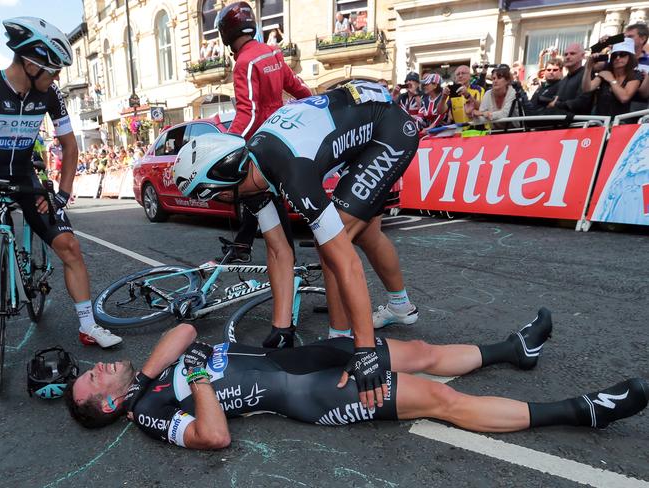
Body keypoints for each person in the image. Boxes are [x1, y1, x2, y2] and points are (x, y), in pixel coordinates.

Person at [65, 310, 649, 450]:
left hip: (304, 355)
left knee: (417, 351)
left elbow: (188, 330)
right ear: (110, 406)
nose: (96, 368)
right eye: (93, 381)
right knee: (441, 401)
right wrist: (194, 383)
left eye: (91, 371)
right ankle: (580, 410)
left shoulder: (143, 383)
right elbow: (214, 437)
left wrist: (147, 374)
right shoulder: (150, 416)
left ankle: (512, 349)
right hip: (308, 393)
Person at [173, 81, 423, 407]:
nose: (216, 203)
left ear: (220, 187)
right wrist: (282, 328)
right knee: (365, 232)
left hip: (388, 132)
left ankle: (343, 339)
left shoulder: (290, 171)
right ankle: (400, 306)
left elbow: (346, 261)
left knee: (334, 243)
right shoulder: (251, 175)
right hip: (361, 125)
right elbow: (278, 250)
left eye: (208, 197)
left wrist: (366, 351)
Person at [0, 17, 122, 347]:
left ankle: (88, 325)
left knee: (70, 246)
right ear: (29, 63)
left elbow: (70, 146)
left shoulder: (50, 94)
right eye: (53, 69)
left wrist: (61, 196)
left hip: (26, 177)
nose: (58, 77)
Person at [217, 2, 311, 265]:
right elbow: (298, 88)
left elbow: (248, 112)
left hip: (261, 143)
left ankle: (287, 264)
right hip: (281, 136)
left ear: (227, 33)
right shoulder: (272, 53)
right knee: (258, 195)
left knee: (262, 195)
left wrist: (229, 144)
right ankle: (242, 245)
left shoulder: (244, 63)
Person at [582, 38, 641, 119]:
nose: (618, 58)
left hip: (621, 125)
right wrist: (588, 68)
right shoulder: (605, 72)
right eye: (614, 55)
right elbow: (587, 88)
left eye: (622, 54)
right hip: (599, 123)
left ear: (630, 57)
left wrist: (611, 80)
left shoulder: (635, 74)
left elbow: (624, 98)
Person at [469, 65, 520, 129]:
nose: (495, 81)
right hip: (495, 132)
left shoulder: (512, 92)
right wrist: (473, 115)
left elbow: (505, 114)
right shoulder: (488, 94)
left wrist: (485, 114)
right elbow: (481, 120)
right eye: (493, 78)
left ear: (507, 81)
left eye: (499, 78)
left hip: (515, 131)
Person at [546, 43, 592, 115]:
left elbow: (583, 102)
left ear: (582, 56)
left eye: (572, 53)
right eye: (566, 54)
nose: (568, 57)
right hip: (559, 122)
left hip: (578, 123)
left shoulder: (587, 75)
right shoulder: (563, 81)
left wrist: (557, 104)